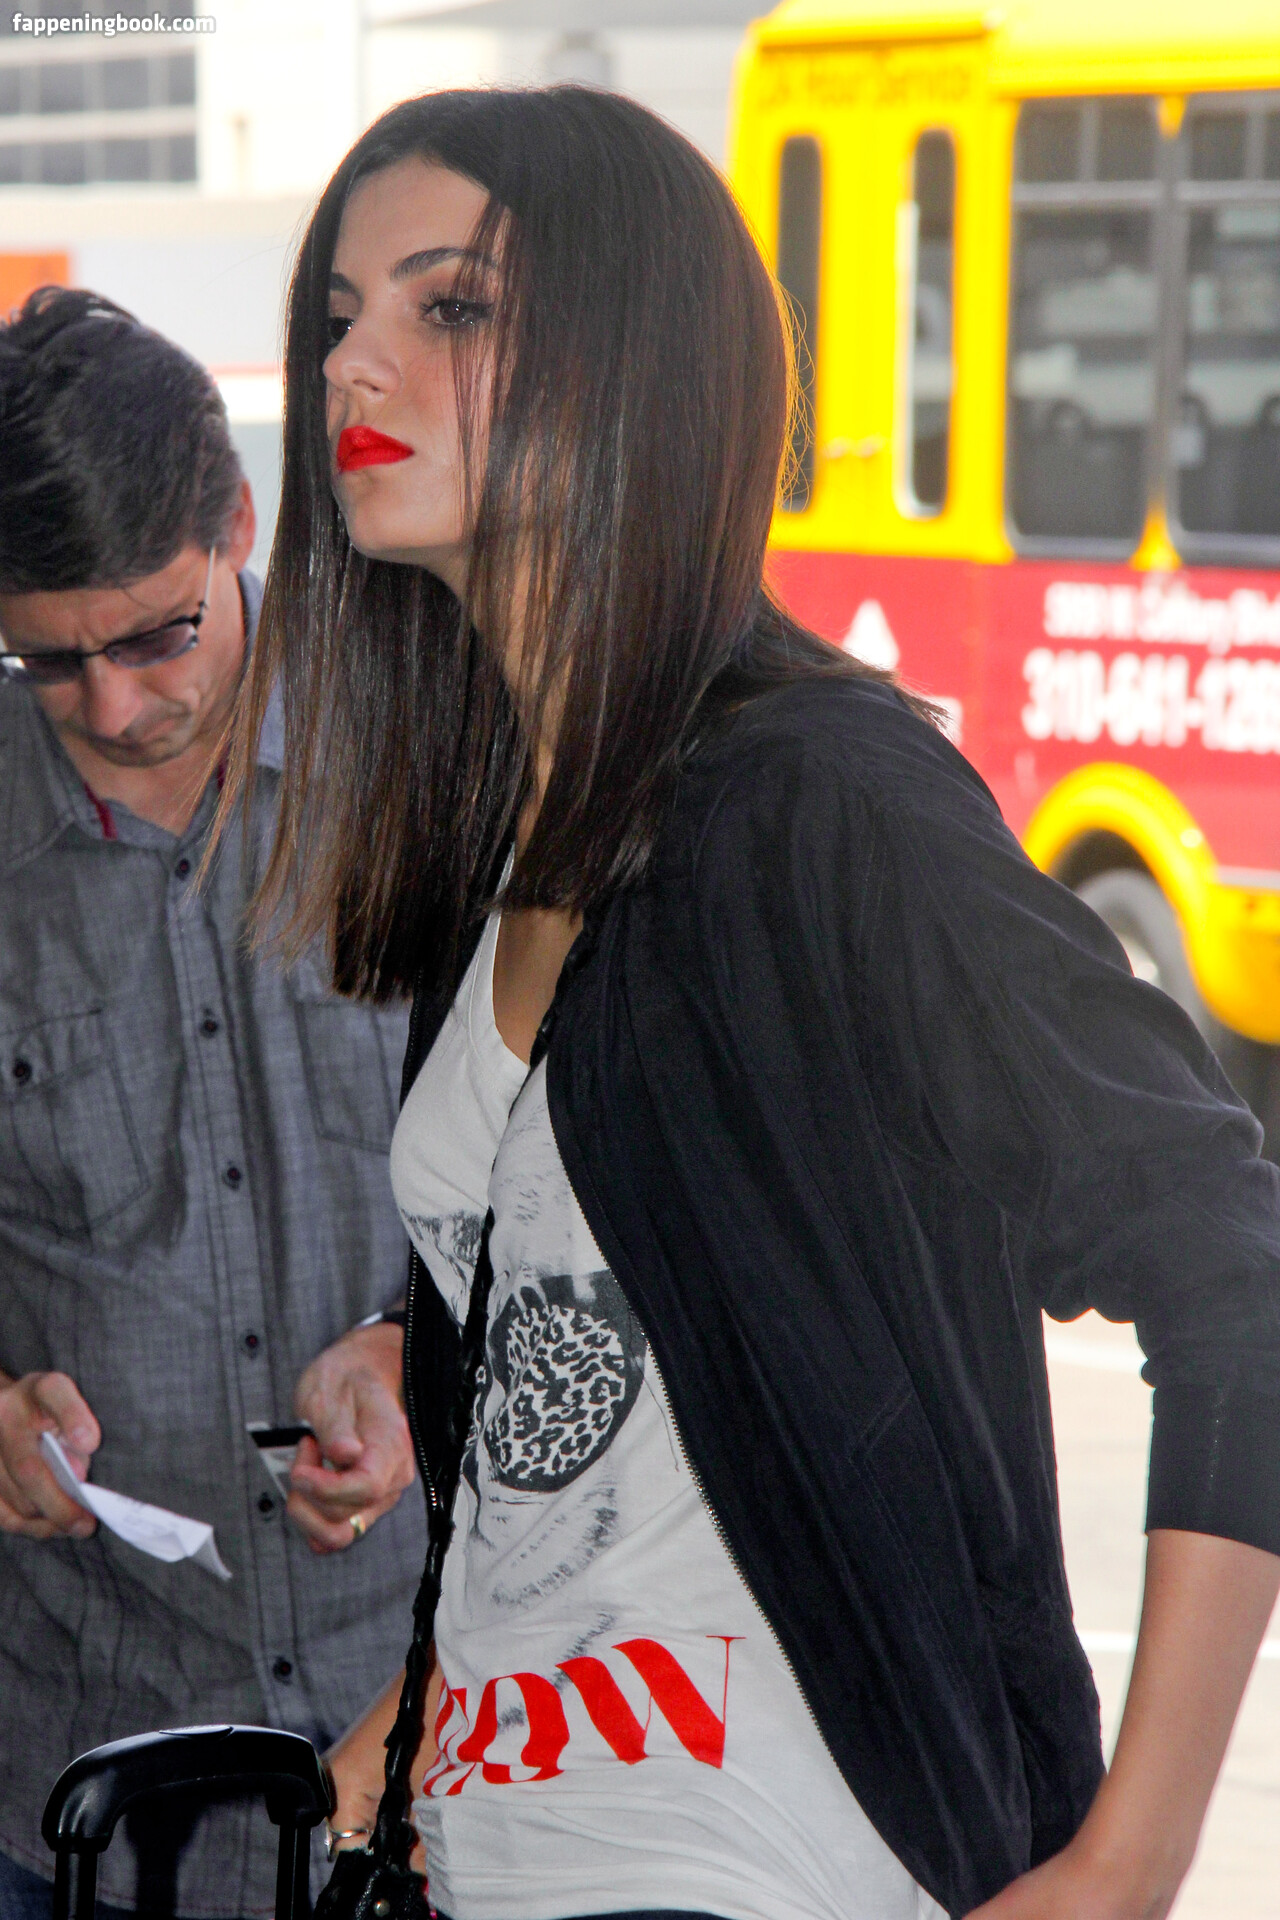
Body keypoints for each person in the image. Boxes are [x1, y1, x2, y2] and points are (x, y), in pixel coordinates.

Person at [222, 88, 1280, 1920]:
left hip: (756, 1863)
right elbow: (603, 1446)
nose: (351, 363)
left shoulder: (822, 798)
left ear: (632, 360)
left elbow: (1227, 1260)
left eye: (448, 304)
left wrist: (1129, 1860)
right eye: (338, 313)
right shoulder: (509, 828)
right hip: (493, 1855)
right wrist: (401, 1735)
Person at [0, 290, 425, 1920]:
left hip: (434, 1766)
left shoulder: (426, 766)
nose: (112, 710)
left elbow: (588, 1197)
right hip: (82, 1791)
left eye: (157, 636)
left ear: (239, 524)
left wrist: (416, 1354)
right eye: (49, 660)